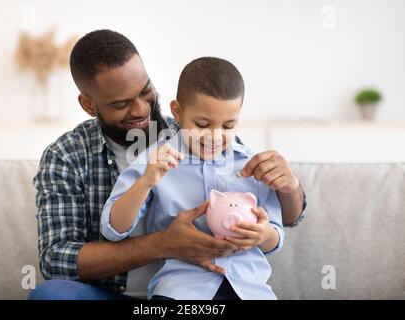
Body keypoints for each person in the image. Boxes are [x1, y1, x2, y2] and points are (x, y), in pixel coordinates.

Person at [29, 29, 306, 300]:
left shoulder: (204, 132)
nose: (140, 109)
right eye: (122, 103)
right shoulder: (67, 155)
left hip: (230, 288)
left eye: (145, 91)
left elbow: (286, 219)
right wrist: (162, 245)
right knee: (52, 295)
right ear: (89, 105)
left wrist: (290, 186)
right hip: (145, 293)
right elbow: (56, 259)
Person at [101, 57, 283, 300]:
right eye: (202, 124)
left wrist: (263, 235)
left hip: (249, 290)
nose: (215, 137)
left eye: (228, 126)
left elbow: (275, 238)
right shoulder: (154, 162)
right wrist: (145, 181)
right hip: (181, 291)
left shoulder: (252, 165)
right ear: (177, 111)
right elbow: (113, 229)